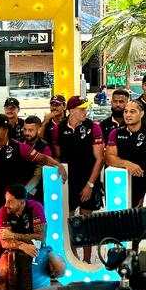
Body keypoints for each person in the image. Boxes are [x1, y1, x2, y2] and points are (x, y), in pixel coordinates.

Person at [52, 95, 104, 263]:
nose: (85, 111)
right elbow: (58, 157)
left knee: (86, 220)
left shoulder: (93, 127)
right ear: (72, 111)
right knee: (69, 221)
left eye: (86, 108)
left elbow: (100, 159)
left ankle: (88, 260)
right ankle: (73, 258)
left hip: (88, 178)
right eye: (82, 109)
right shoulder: (58, 129)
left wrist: (90, 184)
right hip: (69, 181)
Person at [0, 184, 65, 289]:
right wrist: (22, 246)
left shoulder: (36, 207)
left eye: (10, 201)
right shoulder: (4, 211)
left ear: (22, 202)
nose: (6, 205)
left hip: (39, 248)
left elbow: (41, 238)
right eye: (6, 200)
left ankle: (43, 288)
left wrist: (13, 235)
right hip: (13, 250)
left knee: (59, 269)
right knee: (4, 269)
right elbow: (4, 242)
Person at [105, 100, 146, 208]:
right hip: (120, 189)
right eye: (125, 111)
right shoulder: (115, 133)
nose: (127, 115)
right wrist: (127, 164)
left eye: (132, 112)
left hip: (145, 189)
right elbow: (109, 158)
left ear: (141, 114)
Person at [22, 115, 52, 204]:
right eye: (25, 129)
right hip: (17, 189)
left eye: (30, 130)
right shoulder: (18, 143)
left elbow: (38, 175)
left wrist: (23, 192)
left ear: (38, 130)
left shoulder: (44, 148)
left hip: (36, 193)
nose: (26, 133)